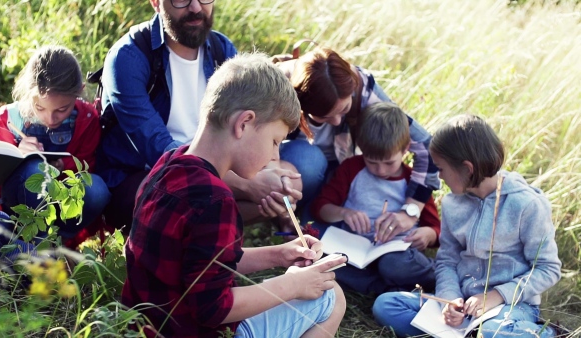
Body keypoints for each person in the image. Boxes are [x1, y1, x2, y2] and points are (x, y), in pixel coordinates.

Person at [122, 53, 347, 338]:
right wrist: (293, 285)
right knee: (331, 296)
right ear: (244, 123)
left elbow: (197, 261)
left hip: (143, 326)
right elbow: (213, 308)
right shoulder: (216, 201)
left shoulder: (168, 164)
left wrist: (278, 255)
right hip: (191, 331)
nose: (274, 155)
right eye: (274, 141)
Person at [97, 0, 302, 230]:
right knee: (189, 192)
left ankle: (214, 238)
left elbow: (243, 134)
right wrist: (248, 185)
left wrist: (270, 178)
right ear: (156, 2)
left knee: (290, 180)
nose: (195, 8)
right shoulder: (128, 57)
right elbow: (162, 152)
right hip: (145, 176)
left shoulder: (221, 49)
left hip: (213, 162)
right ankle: (203, 240)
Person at [372, 115, 562, 337]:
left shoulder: (527, 205)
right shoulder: (452, 204)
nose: (439, 176)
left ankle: (547, 333)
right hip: (463, 305)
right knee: (386, 305)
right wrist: (449, 299)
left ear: (467, 168)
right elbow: (447, 260)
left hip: (509, 306)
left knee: (491, 332)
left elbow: (548, 268)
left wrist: (496, 295)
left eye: (441, 169)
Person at [275, 47, 440, 234]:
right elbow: (262, 157)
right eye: (322, 118)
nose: (337, 122)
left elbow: (427, 147)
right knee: (309, 160)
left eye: (344, 110)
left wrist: (410, 211)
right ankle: (289, 211)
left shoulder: (363, 90)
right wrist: (284, 213)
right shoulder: (280, 93)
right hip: (295, 170)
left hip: (340, 172)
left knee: (326, 234)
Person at [0, 46, 110, 241]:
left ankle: (56, 246)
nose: (50, 118)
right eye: (39, 107)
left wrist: (62, 167)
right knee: (35, 172)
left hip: (60, 202)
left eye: (62, 109)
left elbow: (87, 166)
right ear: (28, 91)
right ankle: (33, 247)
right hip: (14, 207)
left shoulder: (86, 118)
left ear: (79, 92)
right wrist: (16, 157)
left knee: (98, 190)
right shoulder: (8, 119)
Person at [310, 102, 440, 295]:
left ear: (405, 149)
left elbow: (436, 228)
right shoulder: (351, 168)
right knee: (314, 246)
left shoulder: (414, 182)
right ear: (361, 148)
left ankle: (437, 276)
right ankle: (383, 287)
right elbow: (320, 208)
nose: (380, 170)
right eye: (372, 162)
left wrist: (428, 235)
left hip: (395, 254)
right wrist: (343, 213)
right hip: (353, 250)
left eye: (389, 163)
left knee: (393, 265)